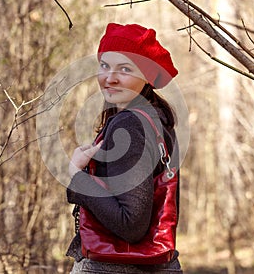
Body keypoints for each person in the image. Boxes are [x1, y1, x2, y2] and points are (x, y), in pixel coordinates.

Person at [66, 23, 183, 273]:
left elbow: (131, 225)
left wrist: (76, 176)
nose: (110, 77)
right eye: (105, 66)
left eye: (125, 69)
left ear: (147, 77)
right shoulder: (157, 119)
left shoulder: (130, 124)